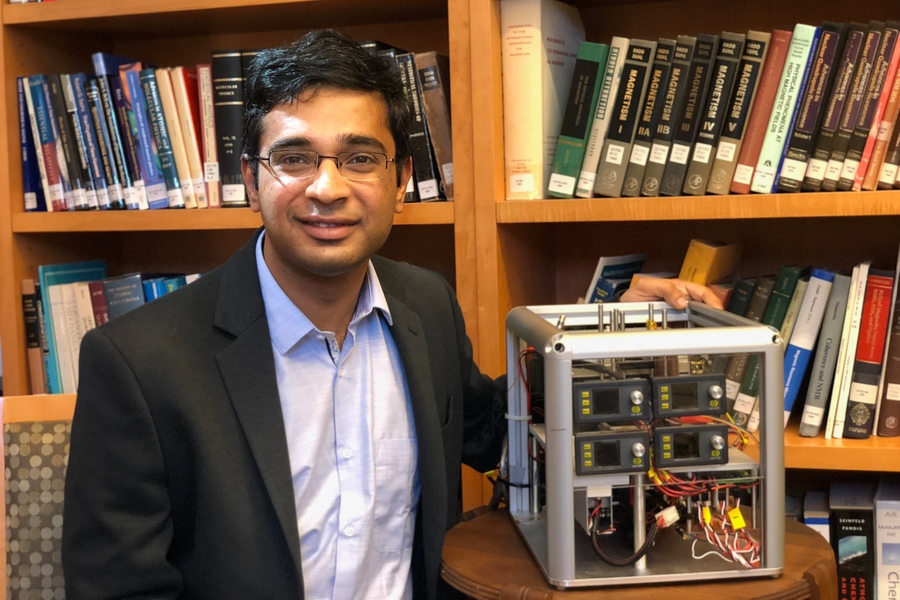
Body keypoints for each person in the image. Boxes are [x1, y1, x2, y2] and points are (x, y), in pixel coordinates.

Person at [61, 30, 722, 600]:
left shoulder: (425, 304)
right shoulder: (139, 362)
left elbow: (494, 431)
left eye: (359, 158)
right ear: (250, 177)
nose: (328, 187)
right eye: (294, 158)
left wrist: (608, 332)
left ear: (401, 180)